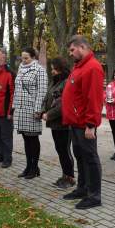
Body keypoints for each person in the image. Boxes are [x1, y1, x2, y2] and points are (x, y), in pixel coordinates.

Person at [61, 35, 104, 210]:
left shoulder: (92, 68)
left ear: (82, 47)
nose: (71, 54)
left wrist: (91, 125)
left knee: (90, 159)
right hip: (75, 123)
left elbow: (93, 98)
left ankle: (94, 196)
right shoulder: (79, 67)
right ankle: (83, 188)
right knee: (80, 157)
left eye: (72, 50)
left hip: (84, 124)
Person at [13, 47, 48, 179]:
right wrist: (14, 105)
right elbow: (17, 89)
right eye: (22, 58)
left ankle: (34, 168)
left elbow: (42, 91)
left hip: (32, 110)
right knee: (26, 139)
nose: (24, 60)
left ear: (33, 57)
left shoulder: (39, 70)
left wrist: (37, 110)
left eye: (26, 58)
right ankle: (28, 166)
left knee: (33, 139)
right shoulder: (21, 69)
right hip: (21, 110)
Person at [42, 57, 75, 189]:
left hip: (64, 124)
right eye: (52, 69)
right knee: (60, 150)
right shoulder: (55, 82)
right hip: (55, 124)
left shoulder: (66, 82)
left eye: (55, 69)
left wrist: (48, 114)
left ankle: (70, 177)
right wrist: (42, 111)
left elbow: (63, 105)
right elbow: (48, 99)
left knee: (65, 151)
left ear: (61, 68)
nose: (53, 71)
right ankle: (64, 175)